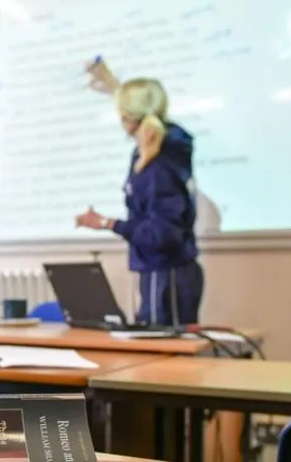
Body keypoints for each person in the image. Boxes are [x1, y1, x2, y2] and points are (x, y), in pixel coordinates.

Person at [75, 73, 204, 326]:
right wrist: (112, 83)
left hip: (166, 275)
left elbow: (162, 233)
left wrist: (108, 223)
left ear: (127, 117)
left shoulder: (158, 165)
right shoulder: (163, 149)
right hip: (165, 272)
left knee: (163, 357)